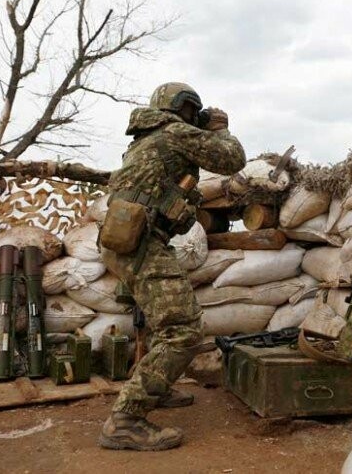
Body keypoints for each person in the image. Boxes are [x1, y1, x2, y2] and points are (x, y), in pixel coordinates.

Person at [98, 82, 246, 451]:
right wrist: (220, 129)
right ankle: (125, 420)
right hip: (141, 243)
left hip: (130, 239)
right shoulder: (175, 132)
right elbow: (232, 159)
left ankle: (156, 386)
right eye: (193, 111)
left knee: (162, 320)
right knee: (183, 330)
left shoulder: (143, 141)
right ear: (184, 108)